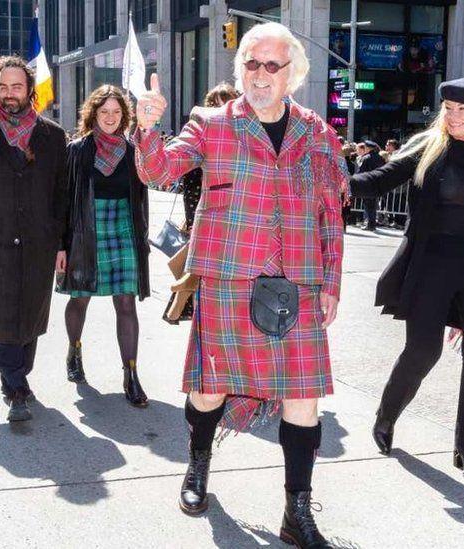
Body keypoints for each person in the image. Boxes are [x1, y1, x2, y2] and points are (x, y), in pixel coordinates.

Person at [134, 22, 345, 547]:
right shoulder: (211, 123)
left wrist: (331, 282)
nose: (260, 74)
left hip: (296, 282)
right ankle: (198, 465)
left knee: (304, 401)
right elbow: (158, 170)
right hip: (230, 280)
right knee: (208, 392)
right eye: (251, 63)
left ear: (292, 74)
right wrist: (146, 127)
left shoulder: (316, 131)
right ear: (240, 69)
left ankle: (296, 511)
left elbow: (330, 213)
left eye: (272, 65)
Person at [348, 77, 464, 485]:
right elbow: (379, 180)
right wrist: (335, 184)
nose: (452, 117)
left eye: (462, 110)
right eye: (448, 108)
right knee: (423, 351)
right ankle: (386, 417)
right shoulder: (428, 147)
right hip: (431, 264)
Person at [0, 55, 68, 423]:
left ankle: (18, 376)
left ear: (30, 90)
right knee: (0, 316)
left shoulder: (53, 136)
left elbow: (60, 195)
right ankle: (16, 387)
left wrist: (63, 244)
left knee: (31, 316)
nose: (8, 94)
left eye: (16, 87)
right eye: (3, 87)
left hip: (40, 243)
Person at [57, 85, 150, 406]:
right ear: (93, 114)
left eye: (116, 112)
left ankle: (131, 373)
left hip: (124, 229)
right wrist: (61, 245)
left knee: (126, 303)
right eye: (104, 112)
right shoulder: (78, 149)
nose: (110, 118)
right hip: (85, 230)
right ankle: (74, 349)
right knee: (79, 299)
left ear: (124, 115)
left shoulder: (133, 149)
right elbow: (63, 201)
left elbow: (144, 194)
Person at [166, 83, 241, 324]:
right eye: (215, 104)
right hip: (198, 211)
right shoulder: (200, 132)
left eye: (226, 102)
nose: (220, 108)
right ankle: (189, 310)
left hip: (230, 218)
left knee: (198, 268)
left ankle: (183, 308)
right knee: (192, 267)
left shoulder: (242, 135)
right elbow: (171, 167)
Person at [355, 140, 385, 231]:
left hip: (367, 182)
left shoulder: (366, 157)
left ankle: (370, 224)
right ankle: (372, 224)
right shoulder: (379, 157)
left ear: (368, 148)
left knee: (368, 205)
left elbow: (361, 171)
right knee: (373, 205)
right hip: (376, 183)